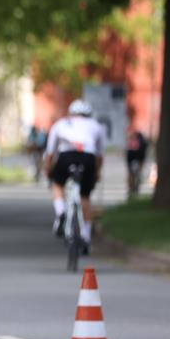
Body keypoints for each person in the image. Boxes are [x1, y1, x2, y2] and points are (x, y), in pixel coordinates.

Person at [44, 99, 106, 252]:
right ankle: (86, 236)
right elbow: (99, 155)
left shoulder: (61, 124)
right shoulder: (96, 126)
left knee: (58, 185)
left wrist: (48, 169)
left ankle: (61, 212)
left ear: (71, 113)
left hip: (66, 156)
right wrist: (97, 172)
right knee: (85, 196)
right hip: (87, 157)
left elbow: (50, 152)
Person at [126, 127, 148, 196]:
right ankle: (136, 185)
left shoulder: (133, 137)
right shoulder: (142, 139)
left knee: (131, 173)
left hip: (132, 155)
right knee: (137, 173)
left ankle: (131, 188)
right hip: (139, 156)